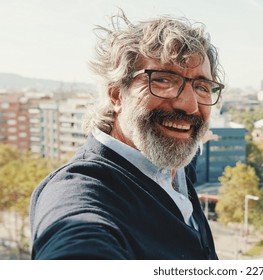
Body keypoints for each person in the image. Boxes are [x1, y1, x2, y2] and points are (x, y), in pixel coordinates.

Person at [29, 10, 224, 260]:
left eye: (202, 86)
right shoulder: (78, 191)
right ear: (116, 95)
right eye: (163, 80)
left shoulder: (170, 165)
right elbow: (76, 243)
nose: (189, 105)